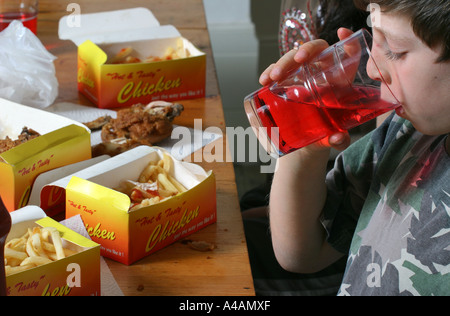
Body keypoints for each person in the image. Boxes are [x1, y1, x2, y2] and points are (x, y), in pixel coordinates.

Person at [261, 0, 450, 295]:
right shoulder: (406, 136)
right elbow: (301, 253)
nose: (372, 69)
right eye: (374, 38)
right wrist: (308, 144)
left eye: (396, 51)